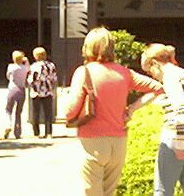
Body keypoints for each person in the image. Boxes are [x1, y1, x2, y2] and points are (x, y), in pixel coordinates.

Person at [66, 27, 163, 196]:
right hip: (119, 142)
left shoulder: (84, 72)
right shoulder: (124, 72)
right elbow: (158, 88)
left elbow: (70, 111)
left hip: (92, 141)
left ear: (88, 47)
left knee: (92, 192)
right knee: (109, 192)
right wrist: (131, 109)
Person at [135, 43, 184, 196]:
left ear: (155, 63)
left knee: (162, 191)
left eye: (149, 70)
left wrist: (179, 144)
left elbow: (181, 110)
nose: (151, 75)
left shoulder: (170, 77)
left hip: (174, 141)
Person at [27, 46, 58, 138]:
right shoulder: (51, 65)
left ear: (36, 56)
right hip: (48, 91)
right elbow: (54, 78)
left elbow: (31, 79)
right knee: (48, 113)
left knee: (35, 113)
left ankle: (36, 133)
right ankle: (49, 133)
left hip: (36, 92)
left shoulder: (34, 66)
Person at [4, 50, 30, 139]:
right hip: (22, 90)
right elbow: (29, 70)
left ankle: (8, 125)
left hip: (12, 89)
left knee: (8, 110)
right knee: (18, 112)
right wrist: (26, 61)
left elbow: (8, 76)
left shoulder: (11, 67)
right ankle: (17, 132)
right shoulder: (25, 68)